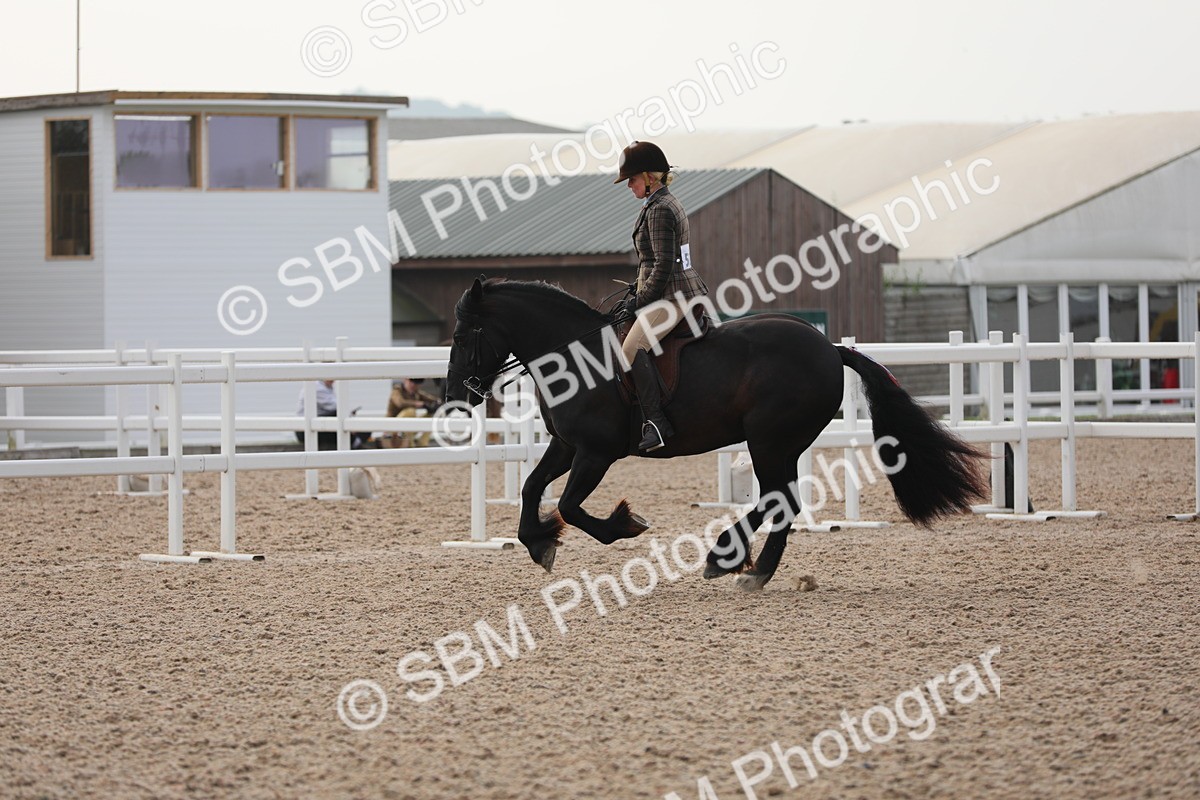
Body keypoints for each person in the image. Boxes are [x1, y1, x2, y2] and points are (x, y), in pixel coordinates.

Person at [613, 140, 709, 451]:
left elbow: (665, 265)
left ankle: (656, 423)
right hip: (669, 290)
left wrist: (640, 301)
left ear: (650, 177)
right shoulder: (661, 203)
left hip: (672, 296)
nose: (629, 186)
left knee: (630, 349)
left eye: (632, 179)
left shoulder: (660, 210)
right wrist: (636, 288)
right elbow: (652, 261)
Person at [383, 377, 440, 447]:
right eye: (411, 382)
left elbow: (430, 398)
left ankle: (422, 444)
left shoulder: (416, 393)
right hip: (393, 429)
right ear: (405, 380)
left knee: (430, 417)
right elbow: (400, 403)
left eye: (416, 384)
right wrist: (418, 403)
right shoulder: (397, 390)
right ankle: (410, 444)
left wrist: (437, 402)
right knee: (410, 412)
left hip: (408, 428)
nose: (413, 385)